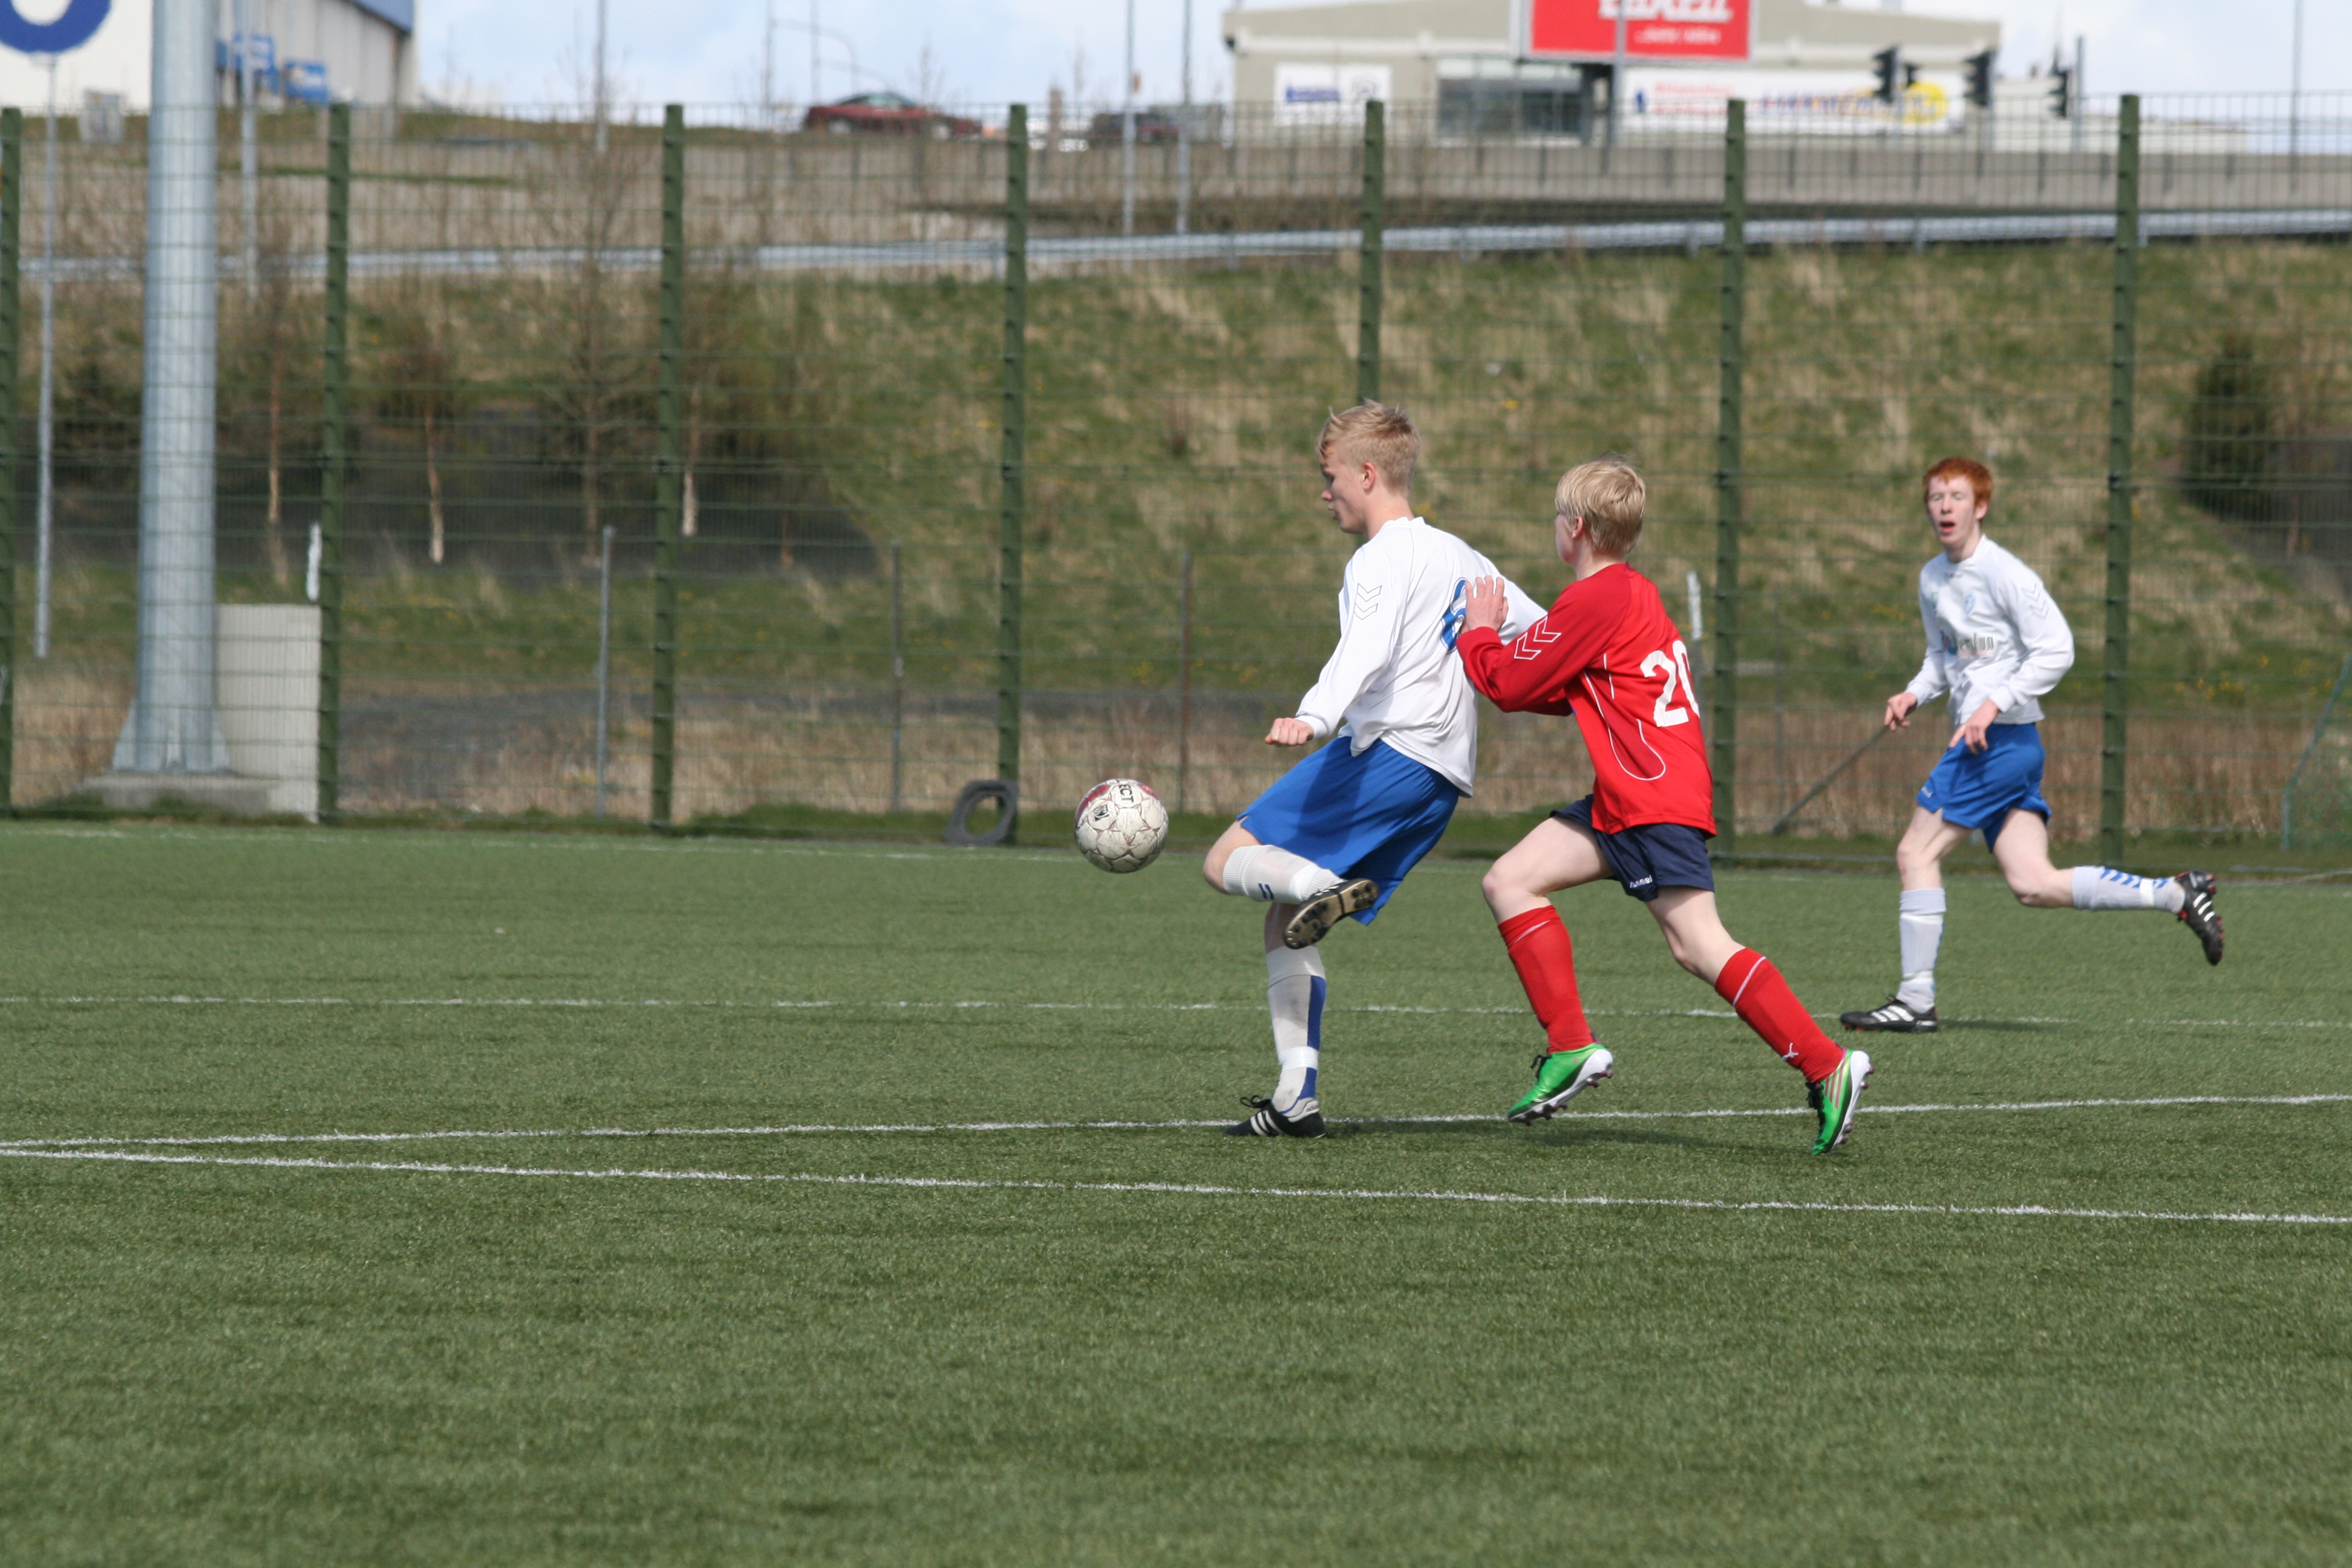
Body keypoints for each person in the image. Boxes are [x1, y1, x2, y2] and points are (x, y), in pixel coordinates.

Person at [1455, 456, 1872, 1155]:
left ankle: (1828, 1065)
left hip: (1649, 794)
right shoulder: (1630, 593)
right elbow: (1568, 691)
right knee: (1510, 880)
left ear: (1576, 528)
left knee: (1700, 944)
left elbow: (1507, 684)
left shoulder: (1594, 599)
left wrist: (1478, 631)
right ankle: (1570, 1046)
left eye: (1557, 517)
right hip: (1630, 793)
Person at [1202, 402, 1543, 1138]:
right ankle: (1296, 1098)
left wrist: (1315, 715)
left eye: (1329, 477)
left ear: (1365, 474)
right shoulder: (1465, 558)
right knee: (1282, 920)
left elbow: (1368, 649)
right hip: (1441, 783)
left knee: (1223, 860)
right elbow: (1542, 633)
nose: (1323, 493)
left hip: (1389, 755)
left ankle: (1323, 888)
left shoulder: (1380, 558)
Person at [1839, 457, 2224, 1036]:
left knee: (1914, 854)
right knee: (2035, 884)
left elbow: (2058, 649)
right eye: (1936, 497)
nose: (1945, 507)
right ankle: (2175, 894)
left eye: (1957, 497)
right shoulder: (1932, 578)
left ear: (1981, 506)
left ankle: (1915, 1000)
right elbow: (1943, 657)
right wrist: (1914, 693)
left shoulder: (2005, 573)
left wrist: (1993, 704)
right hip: (2007, 748)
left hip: (1995, 744)